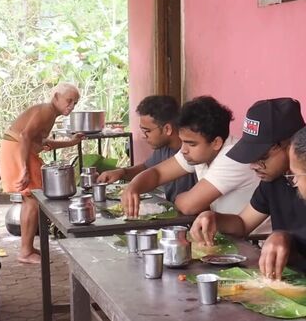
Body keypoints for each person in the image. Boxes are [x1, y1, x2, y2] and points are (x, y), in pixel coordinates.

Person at [190, 98, 306, 280]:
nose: (253, 166)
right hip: (287, 280)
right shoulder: (272, 181)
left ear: (290, 145)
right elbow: (243, 223)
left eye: (262, 157)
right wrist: (214, 219)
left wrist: (287, 239)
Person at [121, 96, 259, 217]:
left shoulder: (232, 157)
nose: (184, 150)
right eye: (183, 142)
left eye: (191, 144)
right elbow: (157, 173)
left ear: (216, 142)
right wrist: (133, 188)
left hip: (252, 241)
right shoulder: (198, 151)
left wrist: (180, 198)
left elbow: (188, 206)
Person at [0, 83, 83, 264]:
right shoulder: (46, 110)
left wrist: (71, 142)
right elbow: (25, 136)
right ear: (56, 97)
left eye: (75, 103)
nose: (71, 106)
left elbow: (43, 142)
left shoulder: (50, 114)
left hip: (18, 149)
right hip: (16, 149)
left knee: (32, 198)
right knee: (33, 198)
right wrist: (24, 168)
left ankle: (27, 248)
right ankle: (25, 251)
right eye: (69, 101)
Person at [97, 95, 196, 202]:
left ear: (167, 129)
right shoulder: (164, 147)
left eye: (147, 131)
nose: (144, 136)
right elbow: (147, 169)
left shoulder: (193, 153)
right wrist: (122, 172)